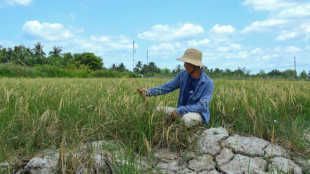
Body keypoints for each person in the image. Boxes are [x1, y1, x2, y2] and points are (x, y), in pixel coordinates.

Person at [138, 48, 214, 128]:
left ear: (195, 65)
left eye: (187, 63)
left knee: (187, 119)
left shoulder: (208, 83)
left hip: (196, 114)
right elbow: (168, 87)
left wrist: (179, 110)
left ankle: (195, 131)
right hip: (180, 111)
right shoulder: (182, 75)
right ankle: (171, 128)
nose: (184, 65)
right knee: (158, 111)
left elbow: (201, 106)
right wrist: (148, 92)